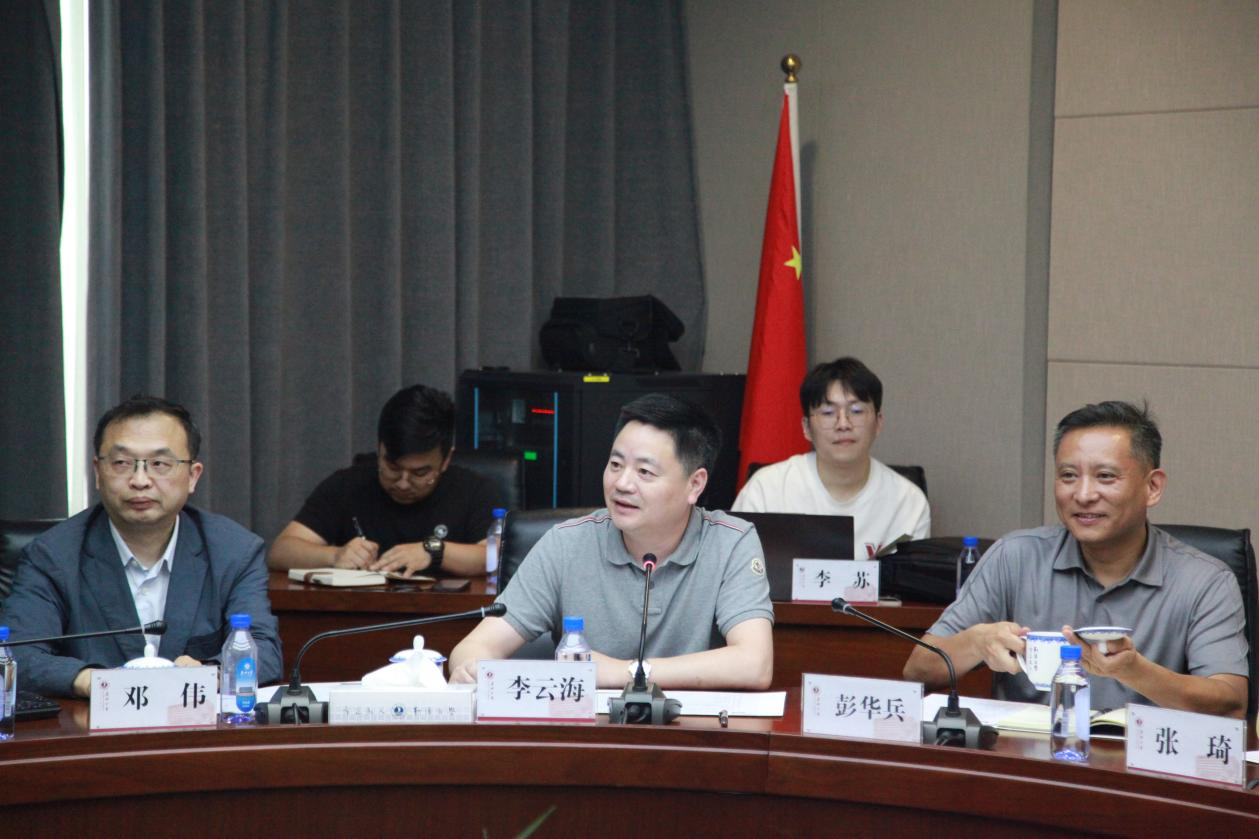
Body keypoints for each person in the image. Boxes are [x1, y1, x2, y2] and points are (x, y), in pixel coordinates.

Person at [903, 401, 1248, 717]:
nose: (1083, 495)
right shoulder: (1015, 558)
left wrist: (1134, 671)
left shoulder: (1205, 580)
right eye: (1068, 476)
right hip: (1029, 757)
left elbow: (1231, 703)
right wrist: (975, 642)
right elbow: (917, 671)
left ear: (1152, 487)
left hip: (1145, 761)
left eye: (1105, 476)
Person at [448, 393, 774, 689]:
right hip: (584, 729)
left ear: (695, 485)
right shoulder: (566, 544)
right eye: (615, 465)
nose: (622, 483)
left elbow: (755, 664)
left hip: (692, 731)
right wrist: (471, 669)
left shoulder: (731, 543)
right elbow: (474, 647)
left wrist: (626, 672)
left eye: (645, 472)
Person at [0, 395, 282, 698]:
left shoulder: (234, 551)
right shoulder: (52, 556)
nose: (140, 480)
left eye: (159, 464)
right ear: (98, 472)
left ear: (192, 476)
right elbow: (16, 655)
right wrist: (94, 681)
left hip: (194, 724)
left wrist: (207, 674)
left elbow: (263, 652)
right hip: (91, 723)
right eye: (122, 463)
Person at [269, 384, 498, 577]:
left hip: (448, 613)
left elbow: (496, 557)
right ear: (380, 450)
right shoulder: (347, 485)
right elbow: (281, 551)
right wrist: (335, 555)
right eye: (393, 468)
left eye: (420, 473)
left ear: (446, 460)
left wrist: (434, 551)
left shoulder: (474, 491)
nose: (403, 483)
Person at [732, 356, 930, 558]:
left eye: (856, 411)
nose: (843, 424)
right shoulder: (766, 490)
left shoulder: (908, 502)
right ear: (806, 427)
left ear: (878, 423)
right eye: (828, 412)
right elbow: (734, 570)